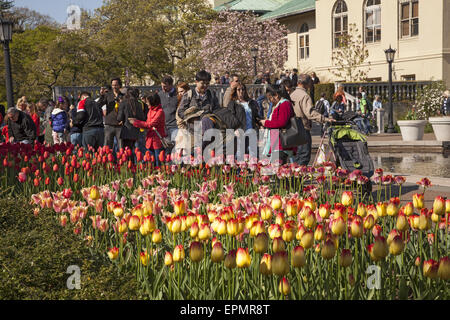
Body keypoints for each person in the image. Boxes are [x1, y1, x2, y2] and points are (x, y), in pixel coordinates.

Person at [290, 74, 334, 166]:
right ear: (307, 83)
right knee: (304, 155)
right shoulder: (305, 96)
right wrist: (325, 119)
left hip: (292, 128)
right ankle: (298, 176)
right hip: (302, 128)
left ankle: (293, 176)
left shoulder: (292, 94)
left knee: (295, 156)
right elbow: (310, 113)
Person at [259, 85, 295, 165]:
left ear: (276, 95)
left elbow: (281, 122)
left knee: (277, 170)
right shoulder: (280, 104)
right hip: (277, 142)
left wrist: (266, 123)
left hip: (281, 143)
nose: (270, 101)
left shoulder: (284, 104)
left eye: (270, 98)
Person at [129, 92, 166, 168]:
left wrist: (136, 122)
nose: (146, 104)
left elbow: (150, 124)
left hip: (157, 140)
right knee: (150, 162)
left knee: (158, 161)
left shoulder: (160, 112)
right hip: (150, 139)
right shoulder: (150, 110)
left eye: (147, 102)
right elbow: (147, 123)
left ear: (153, 102)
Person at [227, 83, 260, 160]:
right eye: (239, 89)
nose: (241, 91)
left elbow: (255, 115)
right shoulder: (233, 103)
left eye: (243, 89)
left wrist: (260, 123)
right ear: (235, 91)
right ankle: (239, 170)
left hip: (251, 130)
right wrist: (235, 129)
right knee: (240, 152)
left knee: (253, 152)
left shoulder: (250, 102)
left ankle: (252, 170)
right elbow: (230, 118)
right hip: (240, 130)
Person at [98, 78, 125, 151]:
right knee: (107, 147)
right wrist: (102, 95)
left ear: (119, 86)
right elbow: (99, 104)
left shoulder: (124, 96)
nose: (114, 87)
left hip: (120, 125)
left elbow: (126, 110)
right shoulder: (108, 95)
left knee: (121, 146)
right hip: (109, 124)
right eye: (113, 85)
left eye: (116, 85)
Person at [117, 88, 146, 152]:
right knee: (137, 151)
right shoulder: (139, 104)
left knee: (127, 151)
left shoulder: (123, 103)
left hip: (127, 130)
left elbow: (119, 118)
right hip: (137, 130)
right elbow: (142, 117)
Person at [159, 76, 179, 146]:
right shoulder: (160, 94)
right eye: (162, 86)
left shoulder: (178, 94)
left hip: (175, 125)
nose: (163, 88)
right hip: (164, 126)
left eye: (165, 86)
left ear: (171, 85)